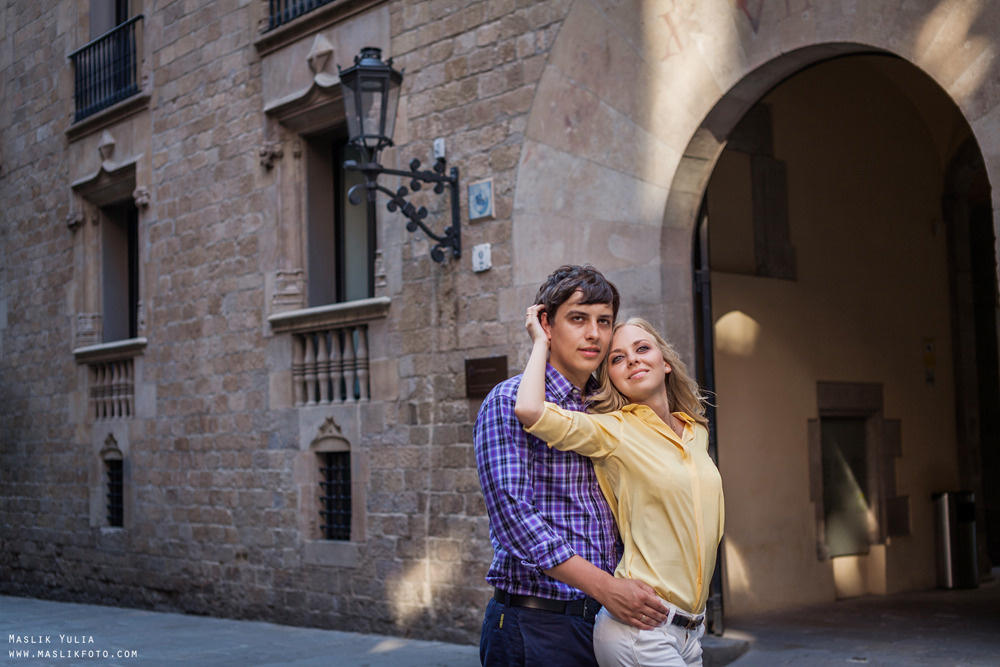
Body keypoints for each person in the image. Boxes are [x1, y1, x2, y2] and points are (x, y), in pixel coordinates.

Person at [475, 266, 669, 667]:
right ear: (546, 323)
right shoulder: (508, 400)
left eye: (604, 322)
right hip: (536, 623)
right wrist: (606, 587)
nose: (594, 334)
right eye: (578, 319)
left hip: (608, 624)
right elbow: (515, 520)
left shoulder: (610, 406)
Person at [515, 308, 724, 666]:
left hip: (691, 632)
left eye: (642, 349)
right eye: (617, 358)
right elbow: (530, 410)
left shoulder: (695, 431)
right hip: (642, 628)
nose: (633, 361)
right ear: (610, 377)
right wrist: (540, 342)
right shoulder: (614, 430)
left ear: (665, 362)